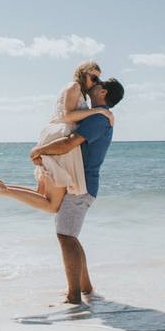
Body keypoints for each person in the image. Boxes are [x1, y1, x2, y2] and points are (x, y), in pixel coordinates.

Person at [30, 77, 124, 304]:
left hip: (82, 187)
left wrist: (38, 150)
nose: (93, 84)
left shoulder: (98, 119)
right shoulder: (98, 117)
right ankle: (86, 289)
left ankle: (74, 297)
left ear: (102, 92)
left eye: (97, 83)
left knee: (66, 236)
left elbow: (69, 143)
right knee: (70, 236)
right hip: (82, 184)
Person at [0, 60, 113, 213]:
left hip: (56, 134)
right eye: (94, 78)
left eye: (98, 80)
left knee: (42, 194)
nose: (95, 83)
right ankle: (2, 189)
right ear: (83, 73)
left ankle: (1, 187)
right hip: (60, 136)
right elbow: (67, 116)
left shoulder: (77, 91)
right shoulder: (74, 86)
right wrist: (98, 111)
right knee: (53, 205)